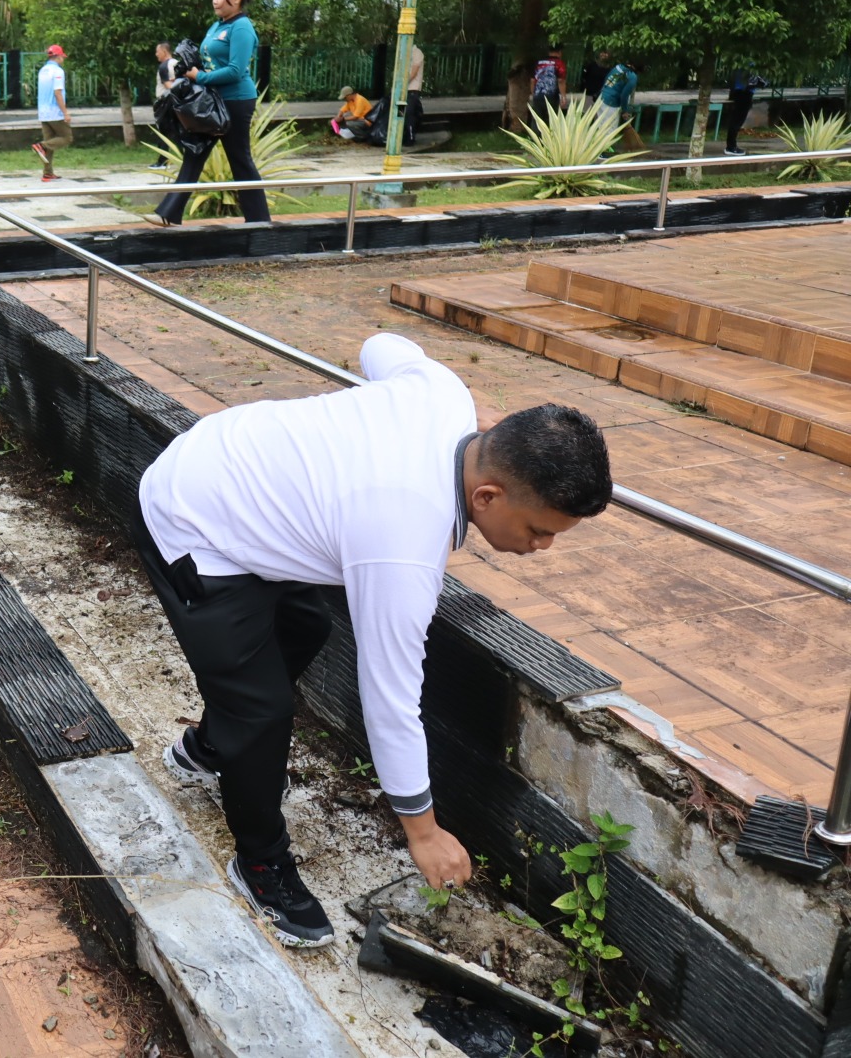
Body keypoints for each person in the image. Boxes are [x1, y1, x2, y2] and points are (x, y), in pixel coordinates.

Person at [136, 333, 612, 947]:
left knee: (307, 625)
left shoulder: (446, 395)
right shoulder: (404, 543)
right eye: (539, 529)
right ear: (487, 495)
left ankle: (209, 748)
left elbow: (381, 345)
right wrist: (423, 831)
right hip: (193, 517)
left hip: (240, 472)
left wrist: (485, 419)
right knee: (261, 708)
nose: (543, 547)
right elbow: (390, 700)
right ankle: (259, 862)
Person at [145, 0, 269, 228]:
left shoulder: (242, 27)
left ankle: (260, 221)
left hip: (236, 101)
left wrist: (200, 76)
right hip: (211, 101)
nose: (215, 0)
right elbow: (210, 59)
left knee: (240, 158)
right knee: (194, 151)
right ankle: (169, 214)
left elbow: (235, 70)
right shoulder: (217, 25)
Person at [32, 46, 72, 184]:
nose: (63, 60)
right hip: (55, 111)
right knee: (66, 137)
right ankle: (41, 146)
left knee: (51, 143)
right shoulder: (57, 71)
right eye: (62, 57)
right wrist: (65, 112)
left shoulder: (43, 70)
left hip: (43, 112)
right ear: (58, 56)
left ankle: (47, 173)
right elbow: (58, 93)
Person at [594, 59, 639, 146]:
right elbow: (624, 95)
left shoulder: (618, 67)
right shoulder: (632, 76)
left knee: (601, 126)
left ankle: (597, 150)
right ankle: (603, 151)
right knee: (610, 129)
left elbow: (606, 79)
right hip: (611, 103)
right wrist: (625, 111)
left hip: (601, 98)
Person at [151, 42, 181, 167]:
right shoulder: (177, 64)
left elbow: (168, 86)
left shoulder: (164, 66)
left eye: (158, 51)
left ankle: (162, 161)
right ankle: (182, 158)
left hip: (165, 102)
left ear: (164, 51)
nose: (156, 54)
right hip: (177, 101)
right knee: (177, 130)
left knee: (163, 132)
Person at [726, 67, 765, 156]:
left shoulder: (743, 63)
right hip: (744, 92)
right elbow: (756, 81)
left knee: (736, 120)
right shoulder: (750, 65)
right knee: (737, 121)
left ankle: (731, 146)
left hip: (740, 91)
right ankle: (731, 147)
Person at [530, 45, 567, 122]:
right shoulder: (559, 63)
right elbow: (561, 81)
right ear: (560, 52)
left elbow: (532, 80)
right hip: (552, 95)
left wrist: (533, 93)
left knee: (537, 119)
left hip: (538, 94)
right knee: (552, 119)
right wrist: (563, 96)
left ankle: (536, 133)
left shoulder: (538, 63)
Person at [405, 44, 425, 144]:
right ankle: (403, 135)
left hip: (412, 89)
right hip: (402, 91)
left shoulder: (416, 53)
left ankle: (410, 137)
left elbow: (413, 72)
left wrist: (403, 83)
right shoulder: (403, 53)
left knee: (409, 113)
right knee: (400, 113)